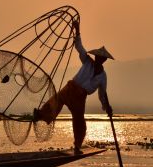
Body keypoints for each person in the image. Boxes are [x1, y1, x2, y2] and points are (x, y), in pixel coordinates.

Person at [34, 20, 114, 155]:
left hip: (80, 96)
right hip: (71, 88)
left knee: (79, 123)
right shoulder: (87, 61)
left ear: (104, 60)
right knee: (56, 101)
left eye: (101, 58)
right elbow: (79, 47)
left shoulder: (102, 77)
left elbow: (102, 94)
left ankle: (77, 147)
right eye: (97, 57)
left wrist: (107, 107)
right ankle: (40, 115)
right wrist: (77, 29)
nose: (98, 59)